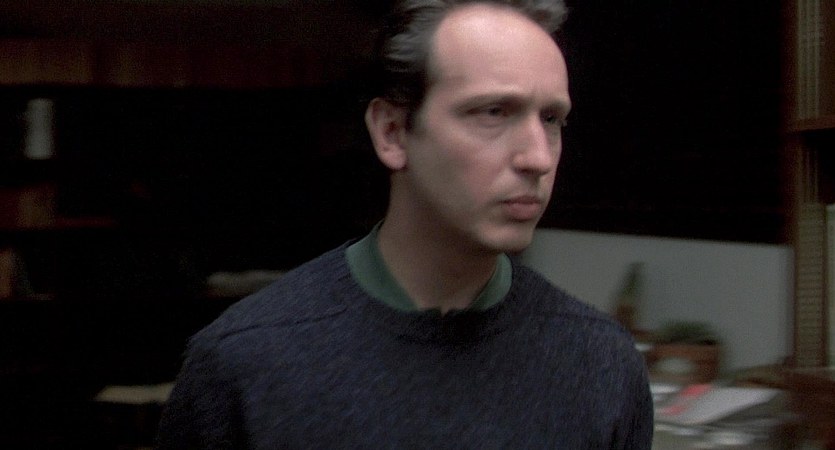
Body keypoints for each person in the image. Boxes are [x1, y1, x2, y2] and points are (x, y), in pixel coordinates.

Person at [156, 0, 654, 448]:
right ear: (392, 132)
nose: (538, 158)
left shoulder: (601, 363)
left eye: (551, 119)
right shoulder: (244, 363)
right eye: (494, 112)